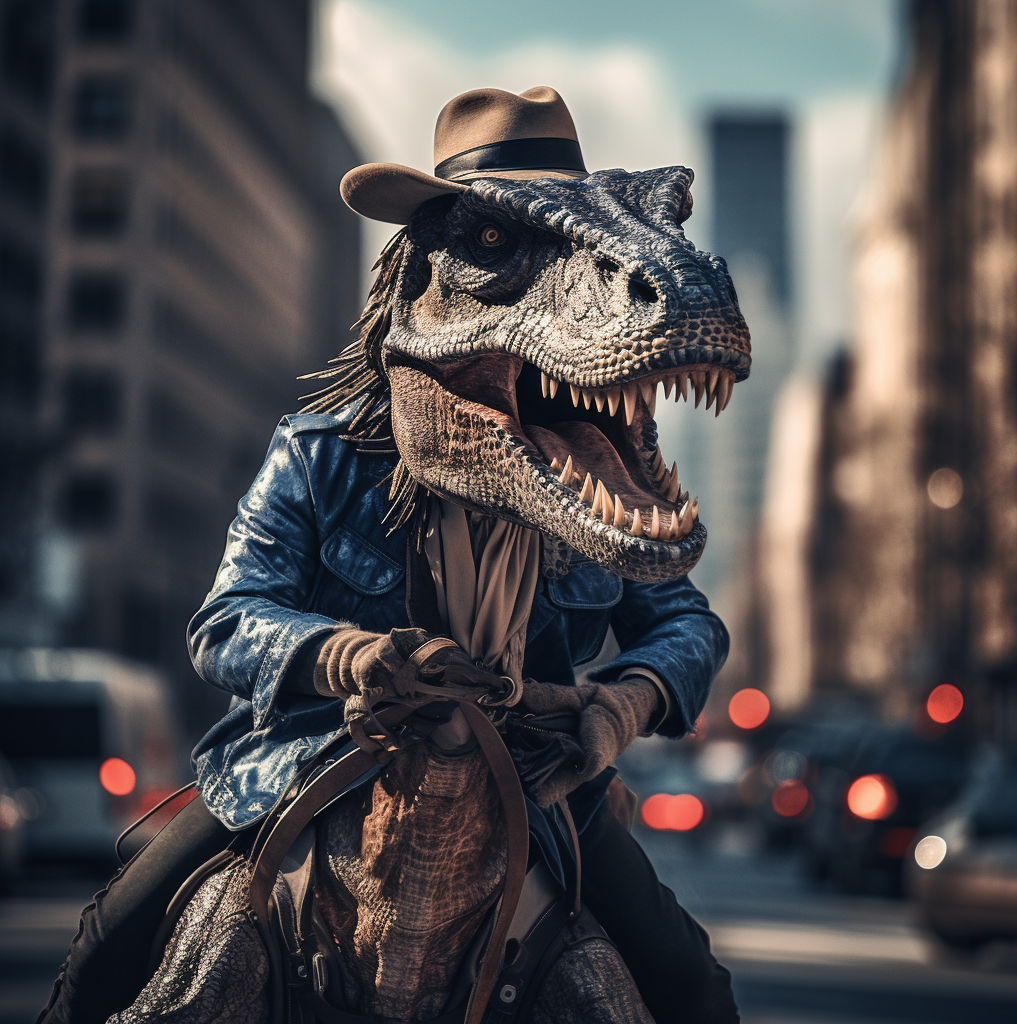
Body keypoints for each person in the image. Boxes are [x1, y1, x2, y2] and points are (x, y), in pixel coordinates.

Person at [39, 87, 740, 1024]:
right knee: (102, 958)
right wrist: (348, 656)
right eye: (494, 248)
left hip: (536, 783)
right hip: (300, 761)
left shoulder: (588, 465)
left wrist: (626, 700)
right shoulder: (319, 451)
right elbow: (226, 618)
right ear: (419, 283)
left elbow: (685, 619)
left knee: (692, 989)